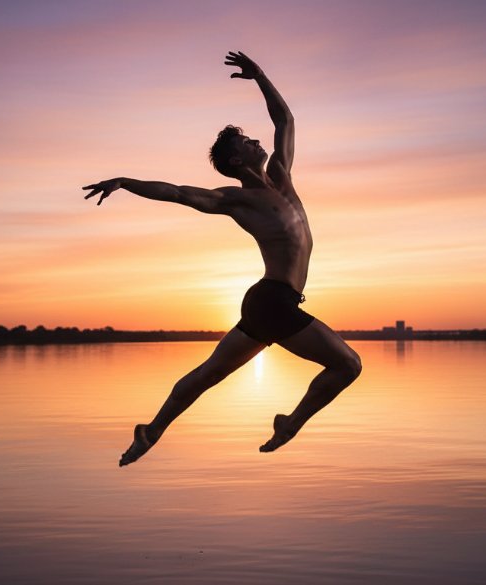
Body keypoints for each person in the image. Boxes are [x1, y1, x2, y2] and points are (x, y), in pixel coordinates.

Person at [83, 51, 362, 467]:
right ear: (237, 161)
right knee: (348, 365)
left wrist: (260, 76)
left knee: (209, 374)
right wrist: (125, 182)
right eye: (245, 142)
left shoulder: (283, 175)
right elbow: (178, 192)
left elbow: (285, 119)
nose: (254, 141)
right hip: (273, 300)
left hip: (271, 302)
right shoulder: (235, 200)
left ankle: (151, 431)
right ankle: (289, 423)